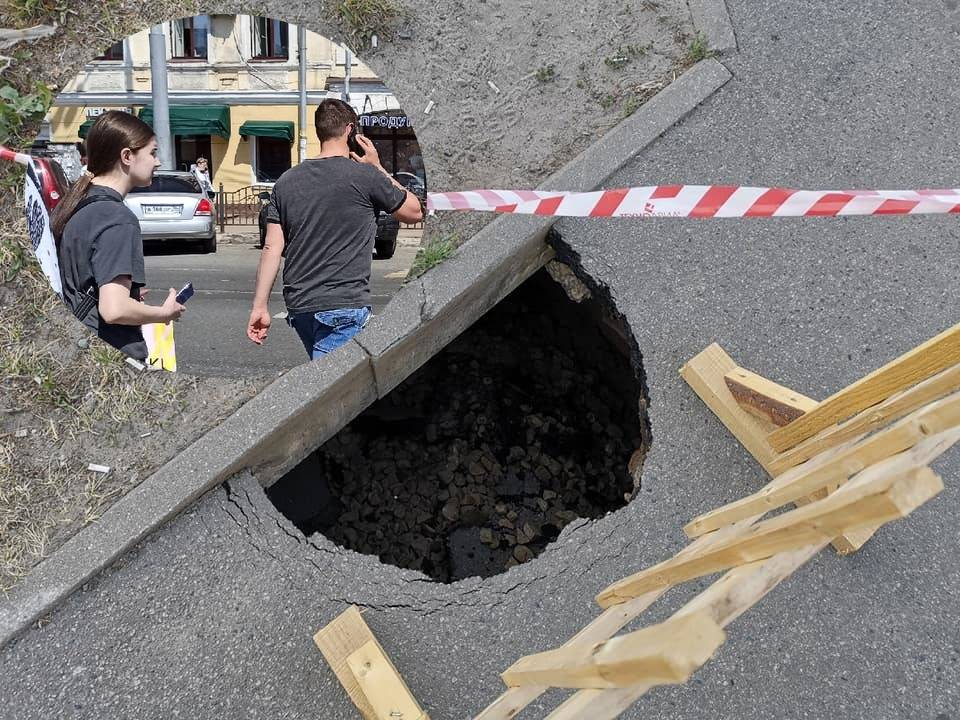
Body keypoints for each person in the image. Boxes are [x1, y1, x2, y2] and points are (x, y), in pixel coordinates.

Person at [246, 99, 423, 359]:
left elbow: (272, 247)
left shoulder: (286, 182)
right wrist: (378, 167)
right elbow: (414, 211)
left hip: (300, 305)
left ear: (320, 131)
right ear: (351, 130)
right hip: (343, 304)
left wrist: (259, 306)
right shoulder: (364, 175)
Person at [50, 111, 185, 360]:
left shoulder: (77, 202)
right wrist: (164, 313)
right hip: (111, 350)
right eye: (152, 153)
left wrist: (127, 292)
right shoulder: (117, 218)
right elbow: (114, 309)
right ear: (126, 156)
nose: (157, 162)